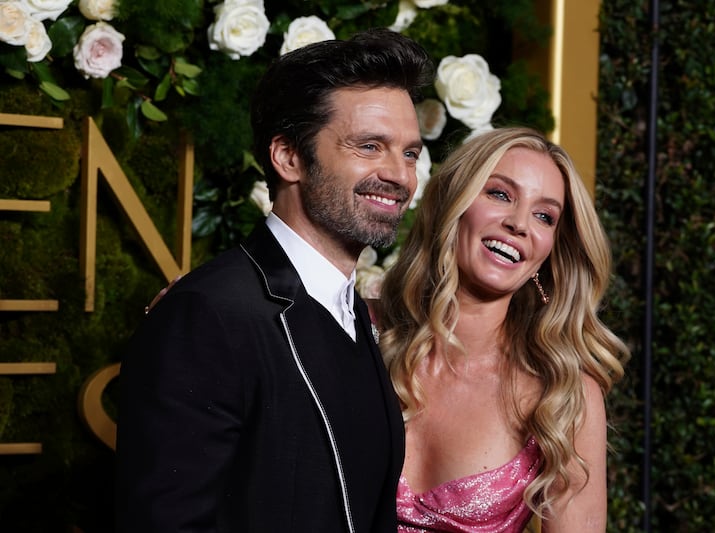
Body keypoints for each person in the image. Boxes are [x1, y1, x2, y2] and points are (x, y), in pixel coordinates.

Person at [114, 28, 434, 533]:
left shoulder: (352, 314)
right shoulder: (209, 314)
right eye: (370, 146)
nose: (399, 175)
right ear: (288, 158)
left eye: (410, 153)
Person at [377, 127, 630, 532]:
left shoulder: (563, 394)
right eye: (500, 194)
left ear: (550, 251)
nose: (519, 224)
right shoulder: (359, 331)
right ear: (453, 202)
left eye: (544, 216)